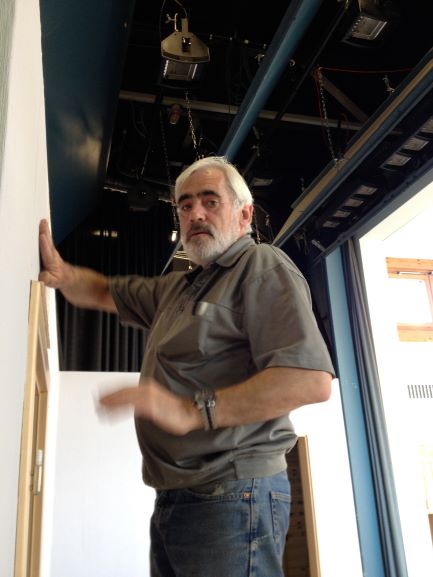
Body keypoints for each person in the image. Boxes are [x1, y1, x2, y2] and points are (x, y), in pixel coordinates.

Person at [39, 155, 335, 577]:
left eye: (210, 201)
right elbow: (105, 291)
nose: (195, 213)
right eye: (185, 204)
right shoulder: (180, 287)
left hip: (232, 491)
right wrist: (63, 274)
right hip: (178, 495)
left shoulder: (261, 266)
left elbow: (309, 380)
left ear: (244, 215)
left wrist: (192, 411)